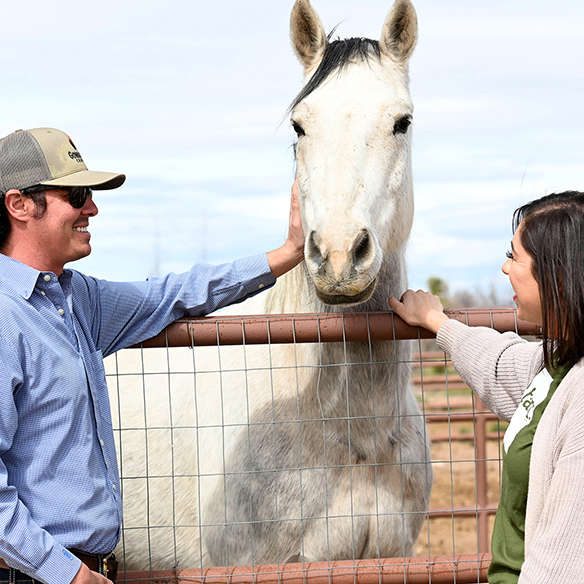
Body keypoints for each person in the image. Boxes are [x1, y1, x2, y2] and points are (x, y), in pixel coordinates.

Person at [0, 127, 305, 584]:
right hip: (38, 575)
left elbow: (174, 294)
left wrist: (286, 254)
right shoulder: (6, 317)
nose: (92, 208)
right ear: (19, 205)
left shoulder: (77, 298)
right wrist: (65, 573)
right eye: (77, 194)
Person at [389, 191, 584, 583]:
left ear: (556, 273)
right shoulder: (556, 363)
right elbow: (498, 362)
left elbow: (563, 565)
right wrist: (438, 322)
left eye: (513, 257)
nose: (504, 268)